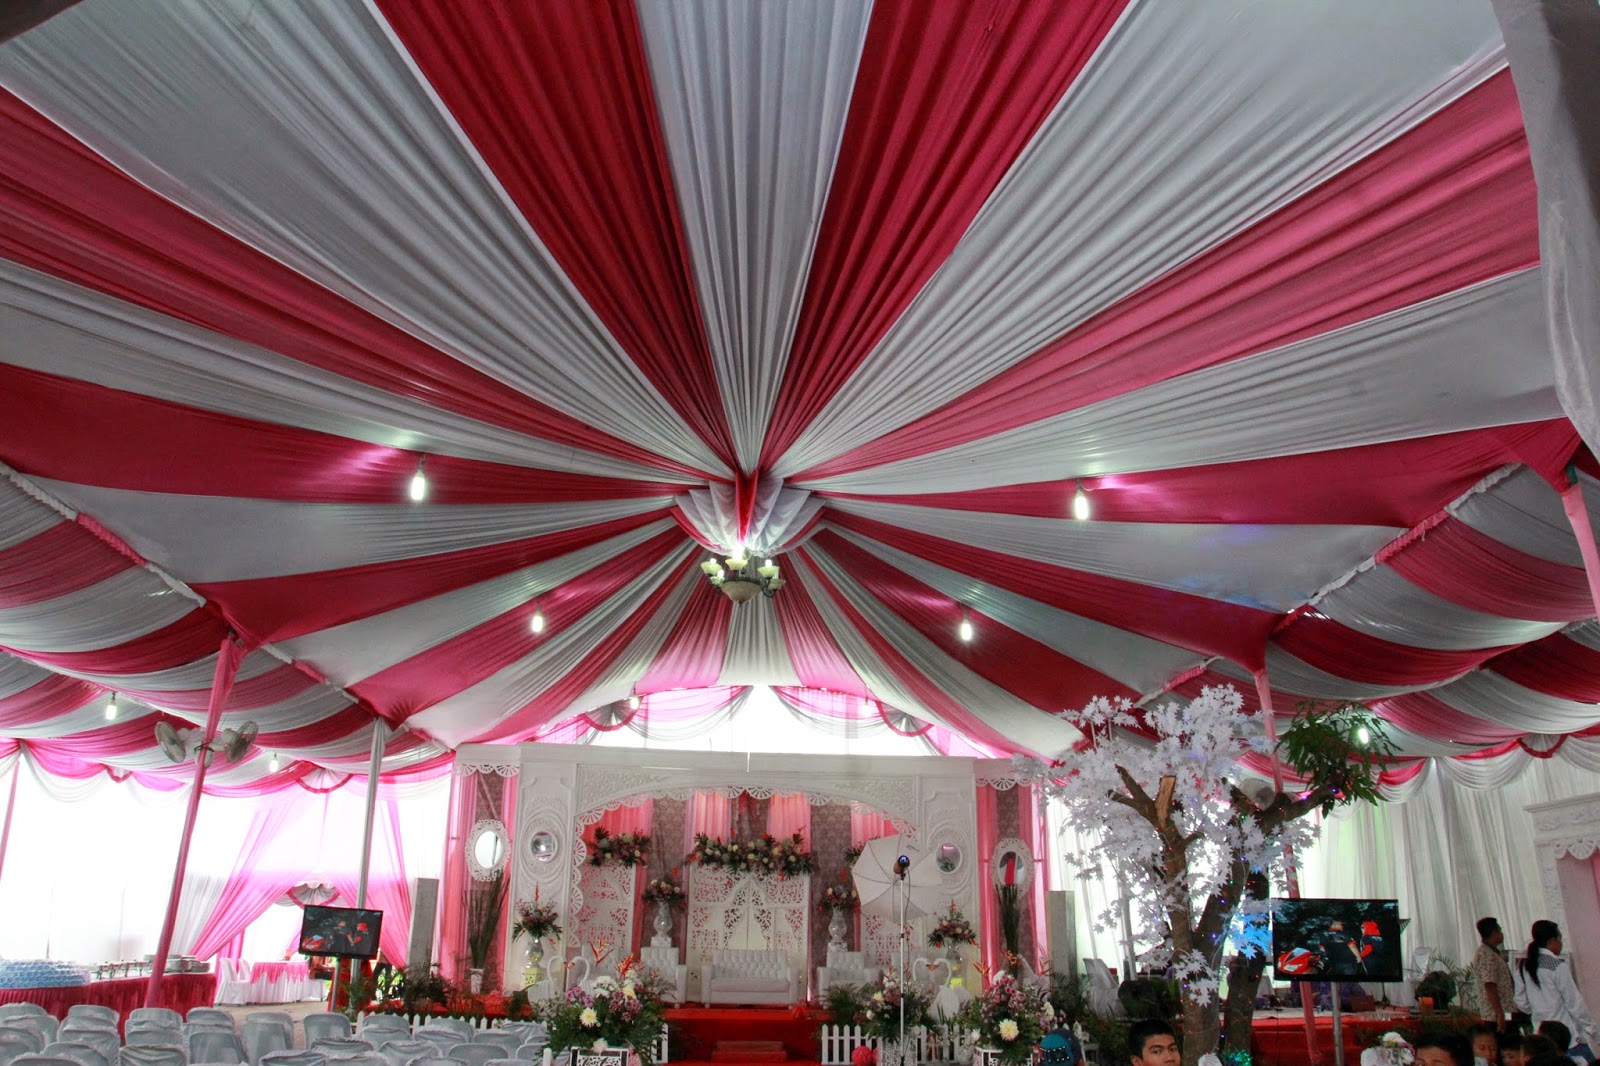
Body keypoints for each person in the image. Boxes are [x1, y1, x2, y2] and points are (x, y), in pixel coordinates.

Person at [1514, 921, 1600, 1060]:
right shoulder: (1556, 966)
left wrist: (1537, 1009)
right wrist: (1595, 1033)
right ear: (1552, 941)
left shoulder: (1522, 965)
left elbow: (1521, 1002)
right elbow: (1575, 1004)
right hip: (1567, 1038)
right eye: (1560, 939)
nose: (1561, 944)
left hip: (1540, 1037)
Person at [1467, 918, 1516, 1030]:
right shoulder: (1486, 955)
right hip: (1495, 1016)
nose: (1502, 934)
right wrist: (1499, 1013)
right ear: (1494, 933)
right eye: (1500, 930)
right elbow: (1490, 985)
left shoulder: (1492, 952)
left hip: (1505, 1011)